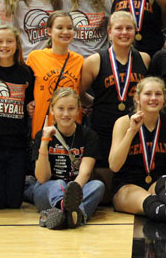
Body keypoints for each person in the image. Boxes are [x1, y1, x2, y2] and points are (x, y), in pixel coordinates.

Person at [109, 77, 166, 227]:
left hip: (158, 182)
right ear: (137, 98)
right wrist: (132, 131)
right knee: (150, 202)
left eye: (158, 94)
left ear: (164, 98)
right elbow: (114, 166)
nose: (153, 98)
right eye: (148, 94)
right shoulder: (123, 122)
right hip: (127, 185)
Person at [80, 11, 150, 202]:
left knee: (128, 178)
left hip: (133, 129)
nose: (124, 32)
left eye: (129, 28)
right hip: (103, 128)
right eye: (119, 28)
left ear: (135, 31)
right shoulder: (95, 60)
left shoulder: (144, 58)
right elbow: (79, 92)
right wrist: (93, 103)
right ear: (109, 32)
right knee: (106, 192)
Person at [30, 87, 106, 229]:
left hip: (77, 189)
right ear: (52, 110)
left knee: (97, 186)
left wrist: (72, 193)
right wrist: (45, 141)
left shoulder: (89, 136)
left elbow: (85, 173)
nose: (66, 114)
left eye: (71, 109)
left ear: (78, 110)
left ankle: (64, 216)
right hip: (47, 191)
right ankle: (74, 213)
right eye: (60, 108)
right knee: (58, 183)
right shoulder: (42, 135)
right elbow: (42, 178)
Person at [0, 25, 34, 209]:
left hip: (17, 145)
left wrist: (31, 107)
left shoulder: (26, 72)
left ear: (17, 45)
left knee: (13, 203)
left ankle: (31, 189)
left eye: (9, 41)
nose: (4, 45)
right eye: (0, 41)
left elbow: (31, 101)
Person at [26, 11, 84, 138]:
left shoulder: (79, 60)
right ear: (49, 31)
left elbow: (81, 92)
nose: (65, 32)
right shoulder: (35, 57)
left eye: (69, 28)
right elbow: (26, 90)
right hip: (43, 128)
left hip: (71, 130)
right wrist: (29, 103)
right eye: (59, 27)